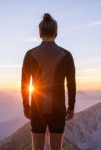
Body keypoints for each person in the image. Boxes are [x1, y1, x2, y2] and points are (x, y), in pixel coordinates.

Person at [21, 13, 76, 150]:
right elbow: (71, 84)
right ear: (56, 32)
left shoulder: (30, 54)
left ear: (40, 32)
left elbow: (25, 83)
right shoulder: (66, 55)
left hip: (37, 108)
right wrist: (71, 107)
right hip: (58, 109)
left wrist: (26, 106)